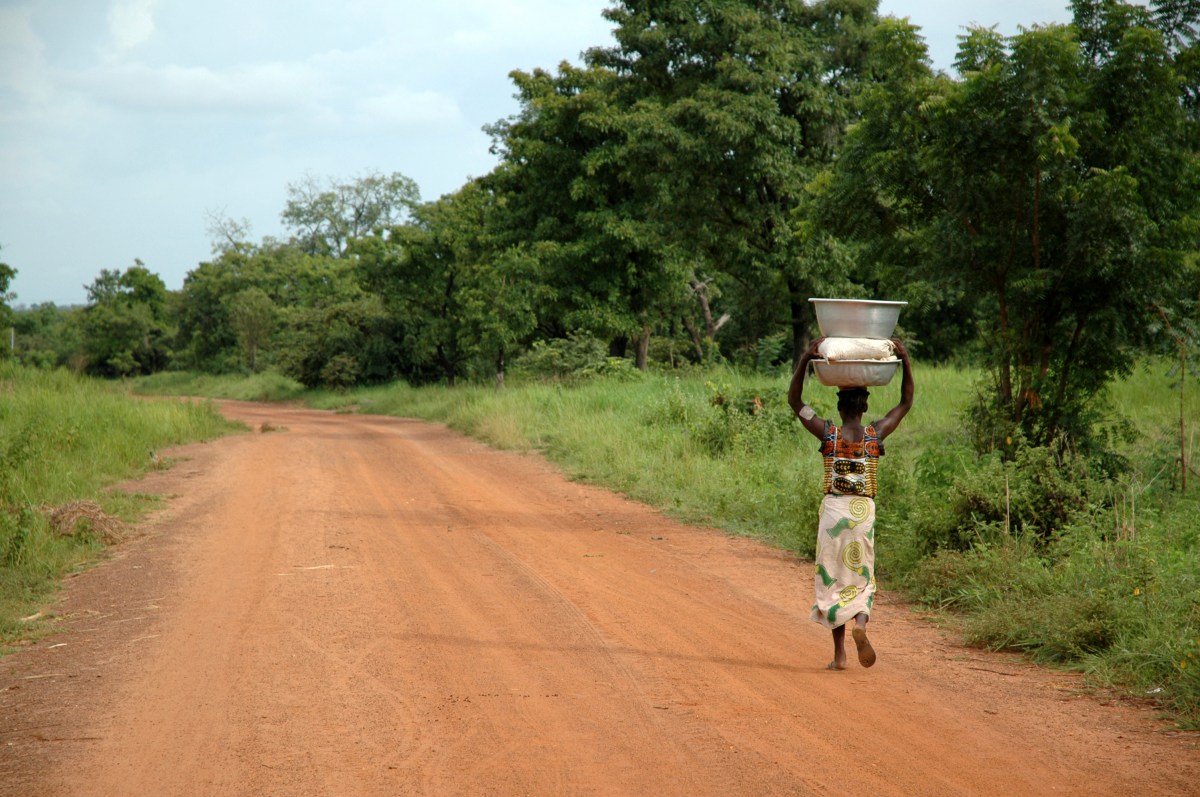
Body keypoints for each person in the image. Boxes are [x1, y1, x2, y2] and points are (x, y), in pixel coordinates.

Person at [788, 336, 913, 670]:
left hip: (834, 513)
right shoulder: (876, 434)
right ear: (864, 406)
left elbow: (795, 401)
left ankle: (840, 655)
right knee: (861, 576)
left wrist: (805, 358)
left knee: (833, 579)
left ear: (841, 407)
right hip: (862, 513)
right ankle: (861, 624)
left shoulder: (827, 434)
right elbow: (905, 404)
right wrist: (906, 361)